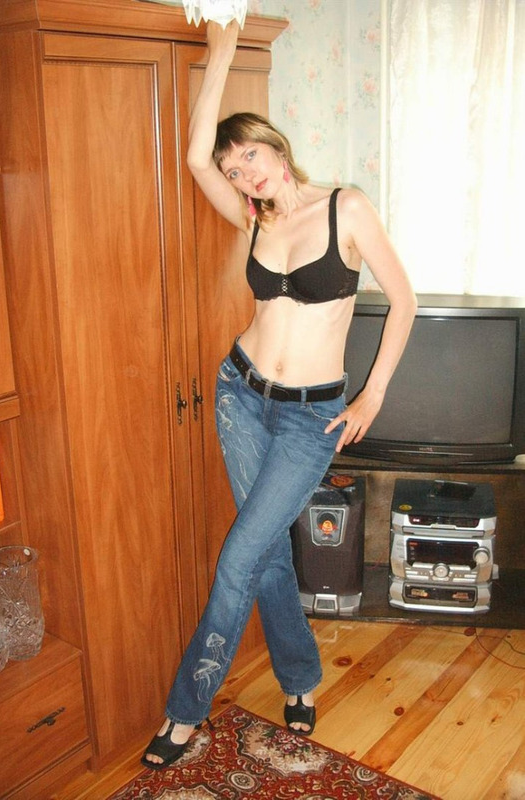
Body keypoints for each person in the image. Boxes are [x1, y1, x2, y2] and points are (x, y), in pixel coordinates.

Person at [142, 20, 417, 770]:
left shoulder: (346, 208)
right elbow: (193, 157)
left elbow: (404, 300)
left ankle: (183, 712)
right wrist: (221, 49)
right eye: (233, 169)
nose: (242, 174)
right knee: (261, 554)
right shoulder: (252, 217)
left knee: (238, 559)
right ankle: (299, 679)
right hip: (240, 395)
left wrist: (371, 398)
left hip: (310, 418)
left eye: (250, 156)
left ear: (276, 146)